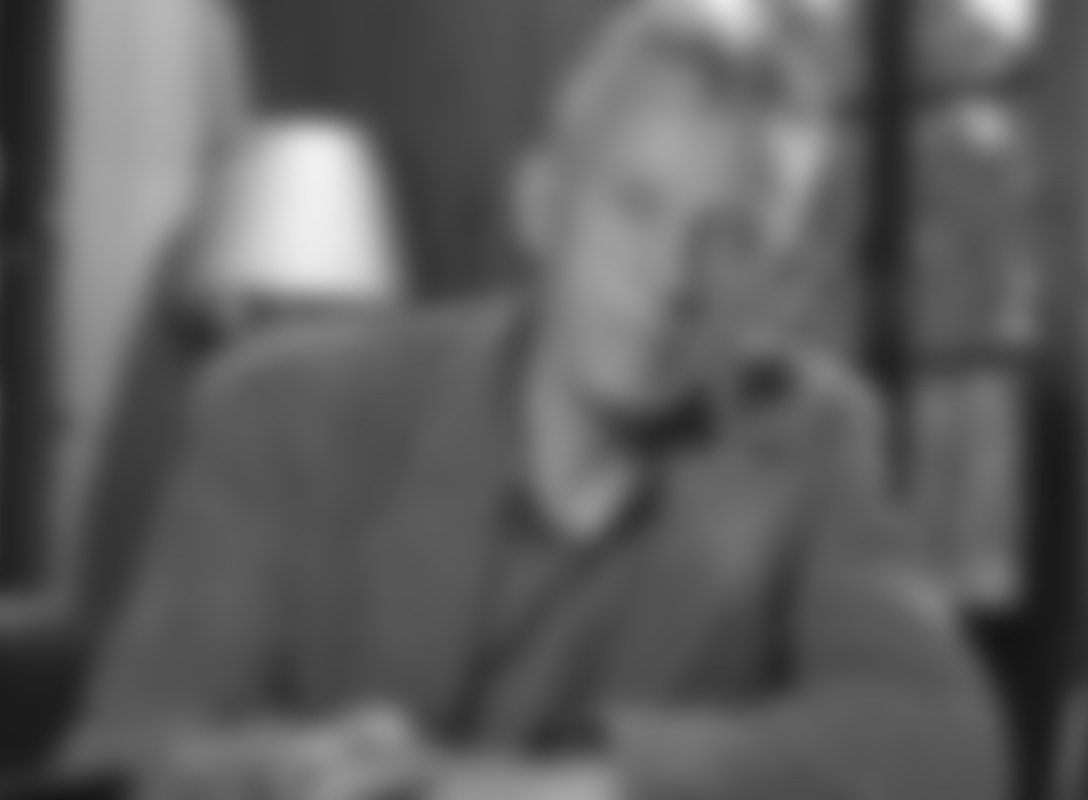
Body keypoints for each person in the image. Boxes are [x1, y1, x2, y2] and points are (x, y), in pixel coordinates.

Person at [55, 3, 1007, 800]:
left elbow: (947, 748)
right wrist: (289, 772)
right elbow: (126, 755)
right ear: (542, 205)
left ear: (775, 283)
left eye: (732, 240)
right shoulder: (283, 411)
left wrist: (589, 784)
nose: (671, 279)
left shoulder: (810, 437)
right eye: (634, 206)